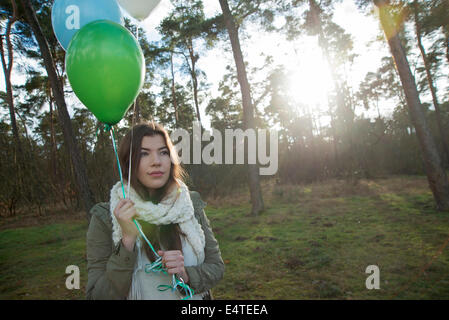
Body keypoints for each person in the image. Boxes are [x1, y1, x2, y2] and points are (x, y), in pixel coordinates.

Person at [86, 121, 224, 300]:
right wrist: (127, 240)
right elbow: (97, 295)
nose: (156, 162)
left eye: (163, 152)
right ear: (128, 163)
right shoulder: (106, 216)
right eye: (144, 154)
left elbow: (216, 267)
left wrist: (185, 275)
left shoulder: (189, 204)